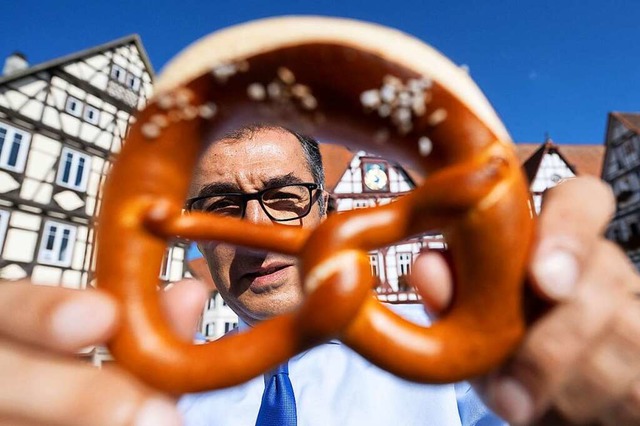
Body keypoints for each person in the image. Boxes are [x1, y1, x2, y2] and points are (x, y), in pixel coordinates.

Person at [1, 123, 639, 426]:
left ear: (328, 212)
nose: (257, 230)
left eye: (283, 197)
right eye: (220, 206)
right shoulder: (154, 400)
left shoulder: (464, 350)